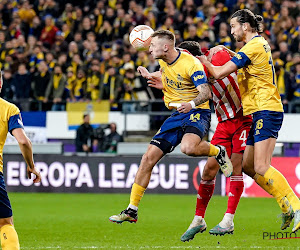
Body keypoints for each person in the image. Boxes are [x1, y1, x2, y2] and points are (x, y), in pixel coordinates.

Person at [109, 30, 233, 224]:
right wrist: (151, 75)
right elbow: (167, 72)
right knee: (147, 158)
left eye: (152, 46)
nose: (149, 49)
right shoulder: (163, 61)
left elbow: (205, 92)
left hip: (196, 111)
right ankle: (132, 210)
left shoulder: (191, 64)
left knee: (188, 148)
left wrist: (190, 104)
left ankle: (218, 151)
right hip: (176, 114)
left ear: (165, 47)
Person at [177, 41, 293, 241]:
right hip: (223, 123)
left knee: (237, 167)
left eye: (182, 56)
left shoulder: (217, 57)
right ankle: (198, 219)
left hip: (243, 118)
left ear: (189, 55)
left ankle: (228, 220)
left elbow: (243, 60)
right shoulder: (192, 72)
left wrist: (223, 48)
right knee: (208, 171)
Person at [199, 9, 300, 233]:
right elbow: (239, 57)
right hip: (260, 111)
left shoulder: (253, 47)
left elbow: (217, 73)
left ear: (245, 26)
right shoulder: (257, 45)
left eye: (234, 26)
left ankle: (296, 205)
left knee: (262, 166)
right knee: (247, 165)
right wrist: (224, 49)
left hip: (267, 109)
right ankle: (285, 206)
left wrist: (202, 59)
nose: (231, 30)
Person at [0, 71, 41, 249]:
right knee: (5, 223)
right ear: (1, 84)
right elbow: (23, 141)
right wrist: (31, 166)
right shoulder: (9, 109)